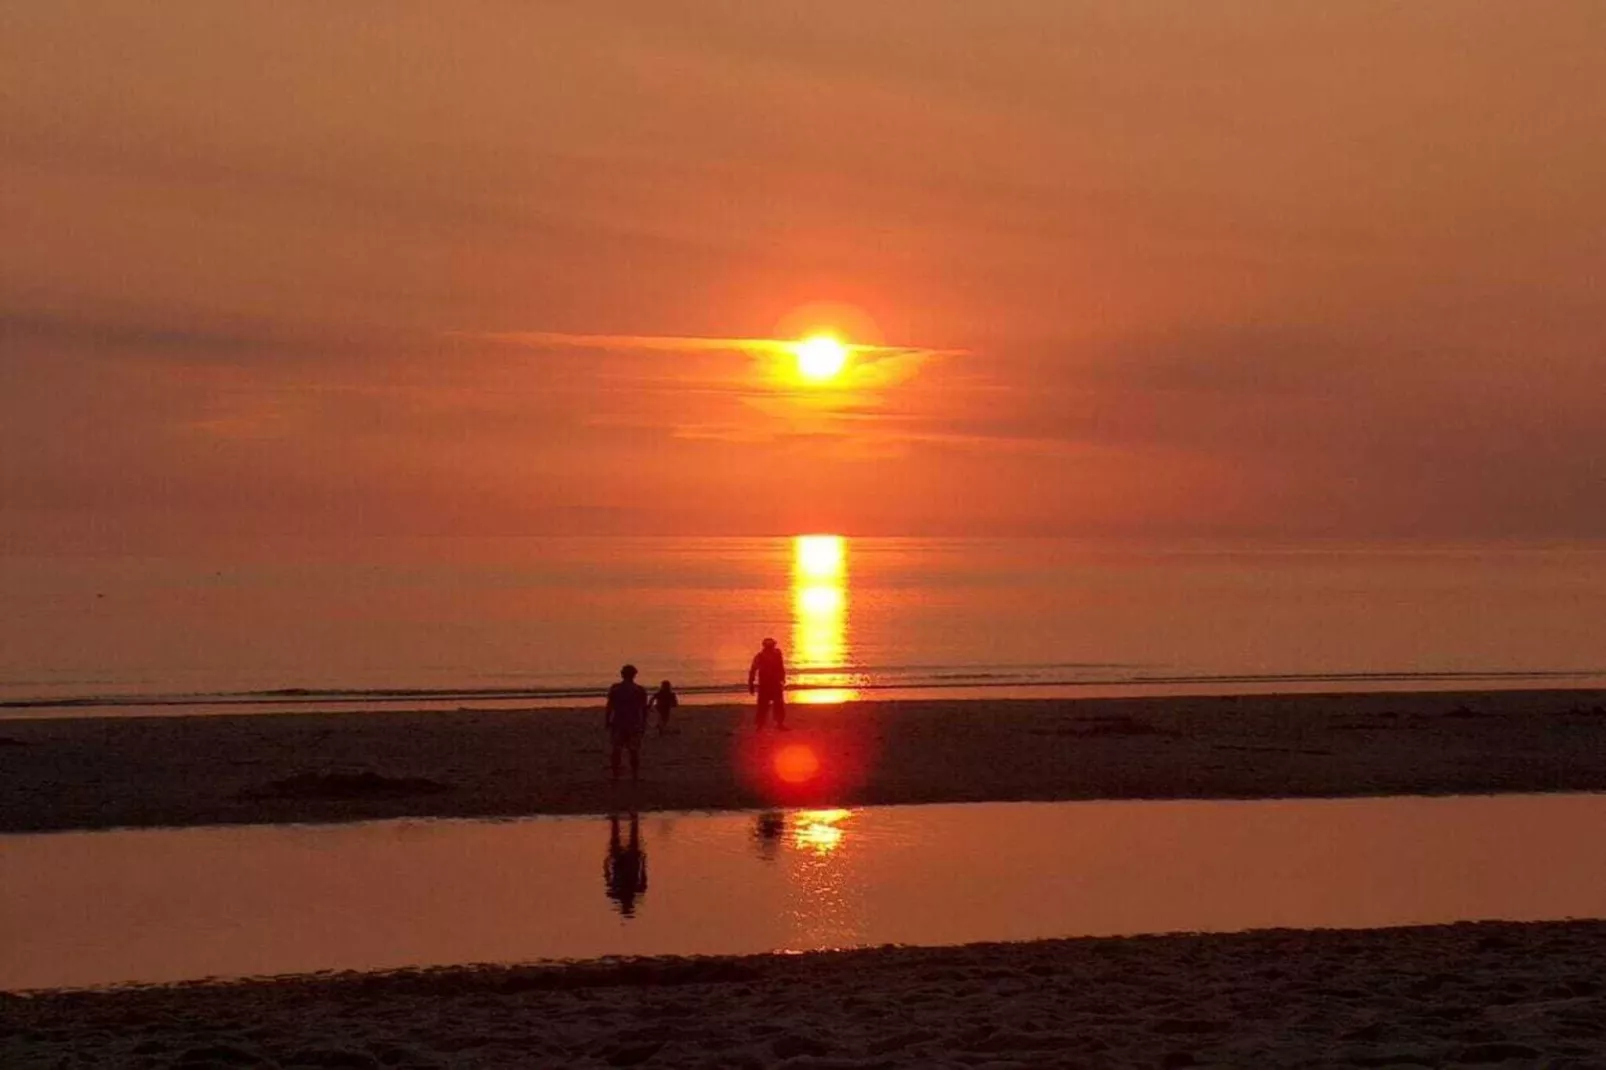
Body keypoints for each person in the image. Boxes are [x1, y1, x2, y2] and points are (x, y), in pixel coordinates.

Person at [604, 664, 649, 781]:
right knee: (633, 750)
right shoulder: (639, 690)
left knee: (617, 749)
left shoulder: (616, 688)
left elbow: (609, 706)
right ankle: (634, 774)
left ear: (622, 674)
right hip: (633, 723)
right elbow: (644, 709)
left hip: (619, 722)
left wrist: (607, 720)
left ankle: (616, 775)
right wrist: (643, 723)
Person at [603, 811, 648, 917]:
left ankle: (619, 819)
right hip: (629, 865)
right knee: (630, 841)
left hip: (622, 865)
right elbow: (643, 877)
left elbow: (608, 879)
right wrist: (643, 862)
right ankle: (631, 819)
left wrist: (606, 865)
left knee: (619, 841)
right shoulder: (636, 892)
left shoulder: (616, 894)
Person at [748, 637, 787, 730]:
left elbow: (781, 667)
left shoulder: (777, 654)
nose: (771, 648)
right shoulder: (760, 656)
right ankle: (760, 725)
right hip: (765, 684)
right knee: (763, 705)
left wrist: (782, 678)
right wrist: (751, 683)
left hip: (775, 683)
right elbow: (753, 670)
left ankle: (779, 724)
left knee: (778, 704)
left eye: (771, 646)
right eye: (769, 646)